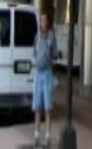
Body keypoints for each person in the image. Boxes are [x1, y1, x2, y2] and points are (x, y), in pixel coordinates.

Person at [32, 12, 59, 146]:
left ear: (47, 23)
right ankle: (36, 135)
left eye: (44, 21)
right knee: (37, 106)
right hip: (38, 73)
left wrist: (50, 59)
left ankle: (48, 136)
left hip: (47, 73)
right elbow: (34, 53)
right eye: (41, 20)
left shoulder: (51, 37)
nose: (42, 23)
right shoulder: (37, 37)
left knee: (48, 107)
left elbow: (55, 54)